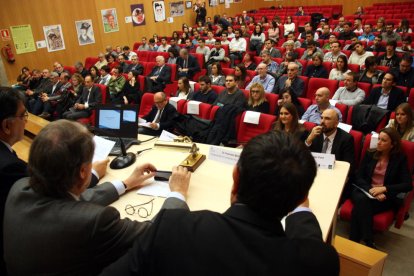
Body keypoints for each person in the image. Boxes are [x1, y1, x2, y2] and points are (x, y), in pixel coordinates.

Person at [101, 131, 340, 276]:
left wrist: (177, 194)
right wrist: (301, 209)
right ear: (300, 197)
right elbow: (311, 249)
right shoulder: (317, 264)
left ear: (235, 178)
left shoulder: (172, 227)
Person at [3, 119, 190, 275]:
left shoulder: (20, 188)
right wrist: (177, 193)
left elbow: (68, 205)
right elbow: (155, 234)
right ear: (84, 172)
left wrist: (125, 184)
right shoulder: (94, 221)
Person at [350, 128, 411, 248]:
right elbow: (358, 176)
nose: (378, 142)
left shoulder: (400, 159)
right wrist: (372, 191)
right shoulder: (370, 153)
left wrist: (384, 188)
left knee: (359, 208)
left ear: (392, 144)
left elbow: (407, 184)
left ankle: (353, 242)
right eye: (378, 139)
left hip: (384, 196)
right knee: (362, 201)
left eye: (383, 140)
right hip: (364, 190)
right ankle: (368, 241)